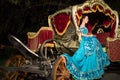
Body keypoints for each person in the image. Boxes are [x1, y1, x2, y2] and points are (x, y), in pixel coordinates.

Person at [61, 15, 110, 80]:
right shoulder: (80, 27)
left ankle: (95, 64)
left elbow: (86, 34)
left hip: (87, 39)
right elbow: (81, 34)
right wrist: (89, 36)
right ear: (83, 19)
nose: (88, 20)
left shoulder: (85, 27)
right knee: (94, 42)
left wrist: (90, 35)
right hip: (84, 40)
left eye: (88, 18)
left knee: (95, 42)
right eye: (87, 18)